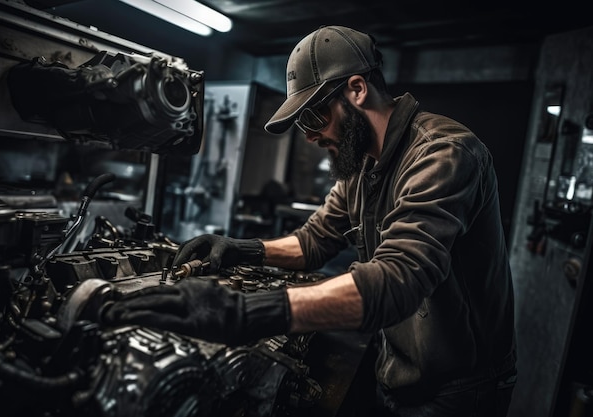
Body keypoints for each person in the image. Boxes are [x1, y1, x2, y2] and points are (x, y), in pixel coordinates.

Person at [104, 25, 517, 416]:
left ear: (357, 89)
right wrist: (241, 249)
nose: (309, 136)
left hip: (458, 386)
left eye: (313, 117)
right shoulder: (360, 168)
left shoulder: (443, 154)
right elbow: (313, 242)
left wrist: (244, 311)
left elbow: (398, 279)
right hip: (398, 363)